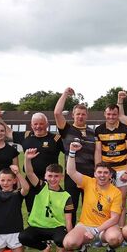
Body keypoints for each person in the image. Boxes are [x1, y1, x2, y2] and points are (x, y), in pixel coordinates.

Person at [61, 142, 124, 252]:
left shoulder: (116, 192)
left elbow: (115, 219)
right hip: (85, 224)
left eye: (106, 173)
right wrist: (72, 152)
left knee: (115, 238)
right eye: (99, 172)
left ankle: (110, 248)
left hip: (106, 227)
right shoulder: (89, 182)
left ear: (110, 175)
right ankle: (82, 248)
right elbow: (71, 172)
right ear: (95, 174)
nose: (102, 175)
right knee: (68, 243)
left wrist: (96, 231)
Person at [0, 109, 64, 212]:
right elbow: (8, 132)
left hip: (50, 180)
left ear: (47, 124)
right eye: (35, 124)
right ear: (31, 125)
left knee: (50, 208)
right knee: (32, 208)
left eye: (41, 124)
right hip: (30, 180)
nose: (38, 126)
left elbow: (68, 151)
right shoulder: (26, 136)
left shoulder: (56, 139)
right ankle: (33, 226)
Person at [18, 149, 75, 252]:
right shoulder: (41, 187)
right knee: (23, 237)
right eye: (50, 176)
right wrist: (27, 159)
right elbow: (29, 173)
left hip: (56, 227)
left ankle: (60, 246)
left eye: (56, 176)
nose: (53, 179)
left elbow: (68, 221)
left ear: (61, 177)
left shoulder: (66, 196)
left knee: (61, 240)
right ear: (45, 176)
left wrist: (70, 244)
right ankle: (44, 248)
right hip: (38, 226)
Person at [55, 87, 96, 227]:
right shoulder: (67, 130)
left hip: (90, 176)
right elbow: (57, 112)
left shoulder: (93, 133)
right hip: (72, 176)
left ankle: (88, 234)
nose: (80, 117)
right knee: (71, 207)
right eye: (78, 114)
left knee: (88, 207)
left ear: (87, 116)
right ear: (73, 115)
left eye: (83, 114)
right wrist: (65, 94)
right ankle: (70, 232)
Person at [94, 103, 127, 227]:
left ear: (118, 115)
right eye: (109, 114)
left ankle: (121, 229)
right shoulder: (99, 130)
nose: (111, 116)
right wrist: (97, 171)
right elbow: (98, 151)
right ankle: (104, 230)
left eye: (114, 114)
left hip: (122, 169)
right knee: (103, 201)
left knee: (121, 201)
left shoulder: (126, 129)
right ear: (105, 114)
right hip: (106, 171)